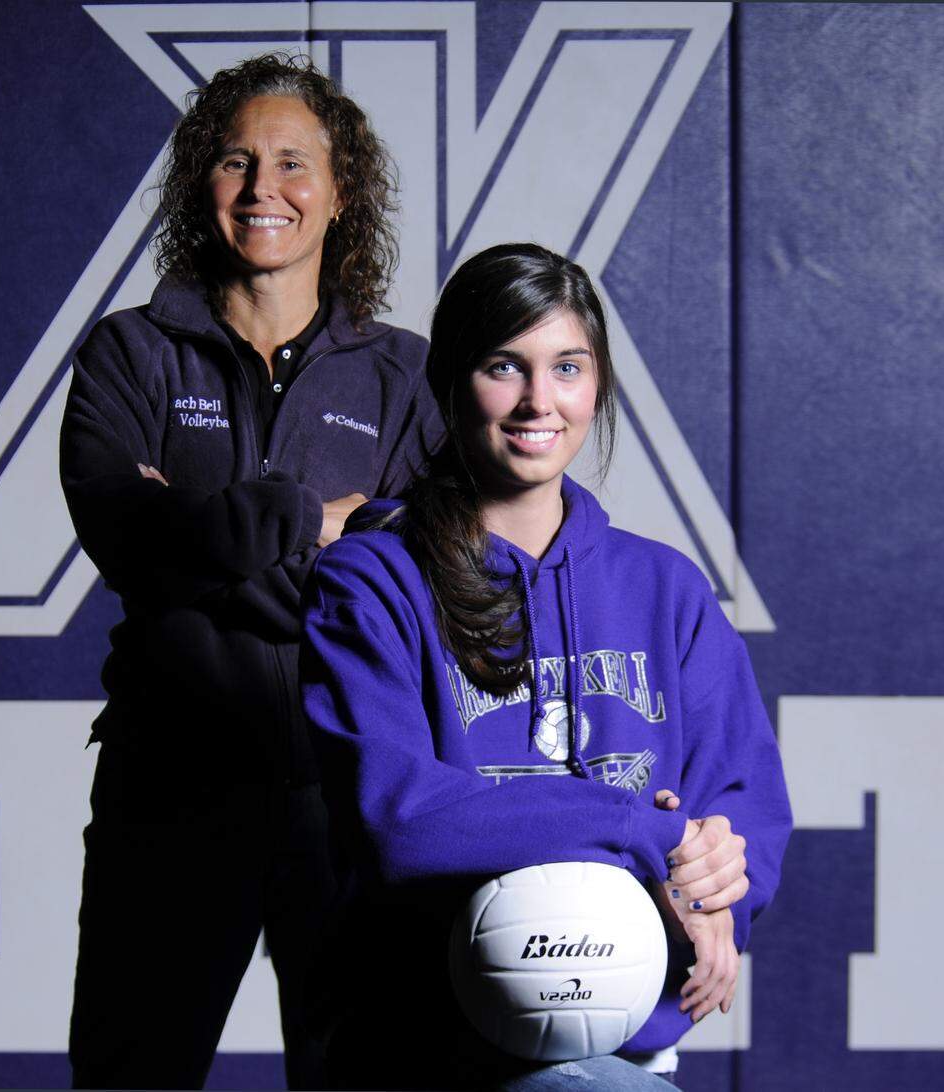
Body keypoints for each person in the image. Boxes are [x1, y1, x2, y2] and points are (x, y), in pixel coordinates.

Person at [300, 243, 793, 1090]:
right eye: (505, 366)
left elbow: (743, 813)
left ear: (596, 386)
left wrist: (714, 891)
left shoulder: (664, 588)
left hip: (620, 1043)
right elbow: (402, 821)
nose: (539, 401)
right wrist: (648, 831)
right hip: (425, 1047)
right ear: (450, 379)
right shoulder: (370, 581)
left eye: (568, 367)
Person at [60, 52, 443, 1090]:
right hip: (171, 780)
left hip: (353, 792)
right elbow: (134, 542)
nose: (262, 188)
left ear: (340, 192)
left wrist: (209, 539)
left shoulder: (408, 376)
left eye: (292, 163)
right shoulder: (130, 356)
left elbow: (426, 582)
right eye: (235, 161)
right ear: (202, 185)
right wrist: (310, 524)